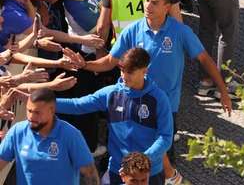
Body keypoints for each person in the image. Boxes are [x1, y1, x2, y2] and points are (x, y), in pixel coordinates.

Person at [84, 0, 232, 184]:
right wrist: (83, 64)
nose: (147, 6)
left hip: (166, 107)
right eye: (146, 1)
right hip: (133, 104)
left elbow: (205, 59)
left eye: (154, 2)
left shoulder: (180, 32)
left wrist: (223, 91)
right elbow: (109, 61)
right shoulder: (133, 31)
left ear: (167, 6)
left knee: (161, 158)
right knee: (131, 160)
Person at [55, 47, 173, 185]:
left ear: (145, 70)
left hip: (149, 174)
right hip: (118, 171)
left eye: (130, 72)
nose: (124, 76)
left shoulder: (159, 99)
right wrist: (46, 103)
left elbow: (165, 137)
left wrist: (144, 159)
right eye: (122, 70)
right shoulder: (111, 94)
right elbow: (78, 105)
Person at [0, 88, 100, 185]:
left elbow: (90, 174)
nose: (31, 117)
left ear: (52, 110)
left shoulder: (70, 135)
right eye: (29, 111)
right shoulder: (18, 132)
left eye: (37, 112)